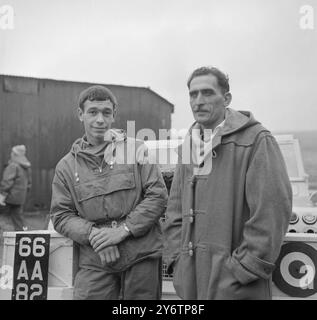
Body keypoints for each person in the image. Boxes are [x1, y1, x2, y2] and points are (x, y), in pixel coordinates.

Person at [163, 66, 292, 300]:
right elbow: (175, 211)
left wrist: (242, 271)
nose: (199, 101)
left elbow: (271, 214)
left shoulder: (257, 140)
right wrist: (176, 260)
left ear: (227, 98)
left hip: (238, 288)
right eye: (193, 94)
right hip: (191, 284)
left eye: (208, 93)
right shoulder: (187, 146)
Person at [50, 85, 168, 300]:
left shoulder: (136, 149)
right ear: (80, 115)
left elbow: (157, 195)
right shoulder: (66, 166)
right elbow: (61, 214)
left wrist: (122, 231)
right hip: (96, 260)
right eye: (92, 112)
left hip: (140, 257)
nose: (100, 120)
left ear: (114, 114)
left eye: (106, 112)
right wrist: (95, 236)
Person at [0, 145, 32, 231]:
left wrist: (2, 195)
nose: (11, 154)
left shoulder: (13, 166)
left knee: (5, 215)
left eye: (12, 152)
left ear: (15, 154)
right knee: (18, 218)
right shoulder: (26, 167)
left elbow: (7, 182)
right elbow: (29, 184)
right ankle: (23, 234)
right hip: (20, 198)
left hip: (9, 197)